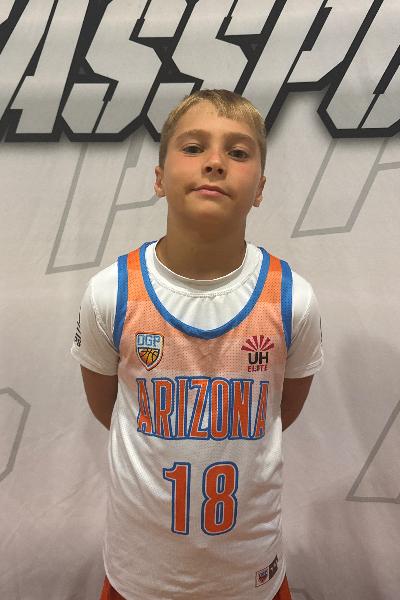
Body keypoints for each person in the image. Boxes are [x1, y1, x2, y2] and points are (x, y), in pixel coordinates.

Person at [72, 89, 323, 600]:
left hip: (251, 574)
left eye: (238, 151)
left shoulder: (293, 299)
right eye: (193, 147)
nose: (214, 162)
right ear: (159, 178)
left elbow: (278, 415)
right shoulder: (110, 292)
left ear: (260, 188)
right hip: (139, 575)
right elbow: (111, 408)